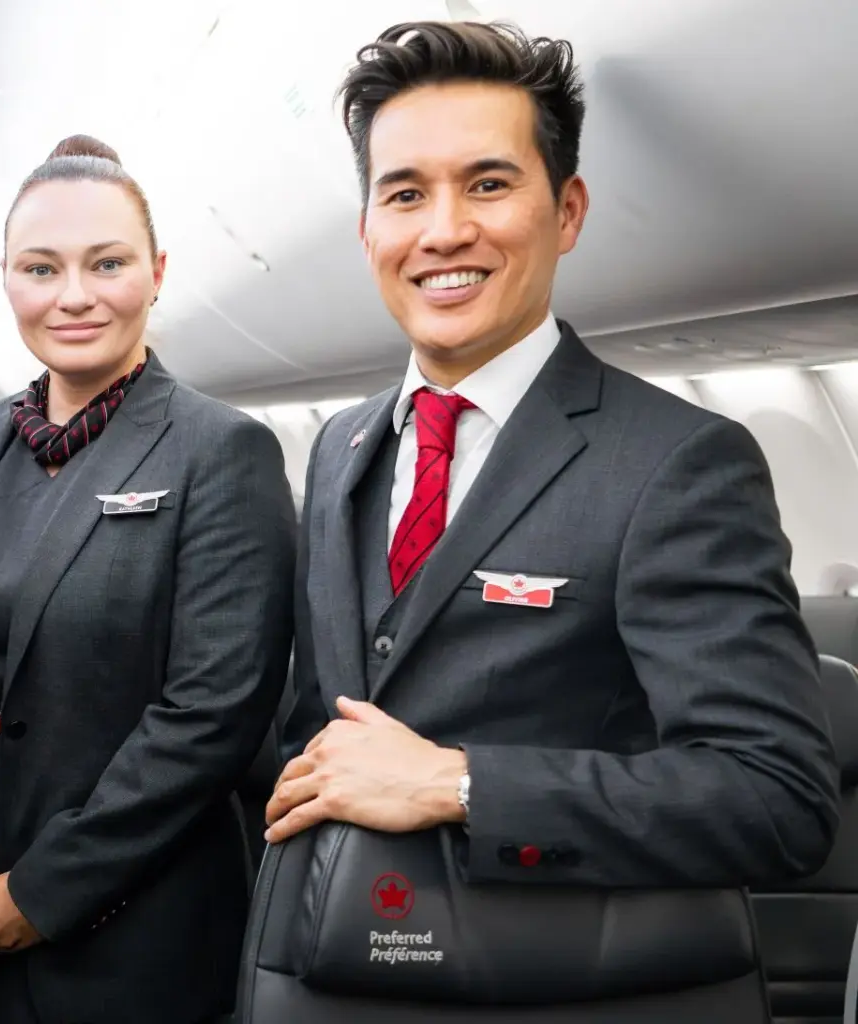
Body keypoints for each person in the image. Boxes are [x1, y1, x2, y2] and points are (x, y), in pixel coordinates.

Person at [268, 20, 839, 893]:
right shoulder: (342, 448)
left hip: (544, 977)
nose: (445, 231)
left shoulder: (677, 463)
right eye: (406, 194)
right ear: (368, 229)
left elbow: (776, 797)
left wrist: (458, 783)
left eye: (488, 184)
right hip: (328, 962)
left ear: (566, 211)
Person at [0, 134, 297, 1024]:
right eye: (41, 268)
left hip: (134, 935)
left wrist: (41, 891)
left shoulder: (220, 451)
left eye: (106, 263)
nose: (73, 295)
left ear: (155, 272)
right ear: (6, 278)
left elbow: (213, 714)